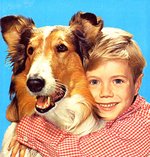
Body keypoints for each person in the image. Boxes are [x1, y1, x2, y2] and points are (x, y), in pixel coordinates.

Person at [10, 27, 150, 157]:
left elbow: (76, 151)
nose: (105, 93)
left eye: (118, 81)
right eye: (94, 82)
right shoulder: (109, 114)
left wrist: (28, 128)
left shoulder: (142, 126)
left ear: (137, 84)